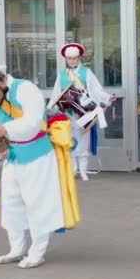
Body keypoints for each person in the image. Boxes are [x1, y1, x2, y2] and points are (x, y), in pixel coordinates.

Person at [0, 68, 65, 269]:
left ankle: (37, 252)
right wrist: (0, 147)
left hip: (37, 155)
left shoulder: (25, 89)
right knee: (11, 202)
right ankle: (17, 249)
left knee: (36, 203)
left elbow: (33, 122)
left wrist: (6, 129)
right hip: (13, 157)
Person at [48, 43, 116, 181]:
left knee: (84, 140)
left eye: (74, 58)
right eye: (69, 59)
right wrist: (52, 107)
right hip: (68, 112)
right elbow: (56, 92)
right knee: (71, 139)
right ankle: (73, 170)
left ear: (79, 58)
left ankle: (83, 171)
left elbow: (96, 89)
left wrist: (107, 97)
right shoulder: (62, 74)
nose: (71, 61)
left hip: (84, 111)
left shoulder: (86, 72)